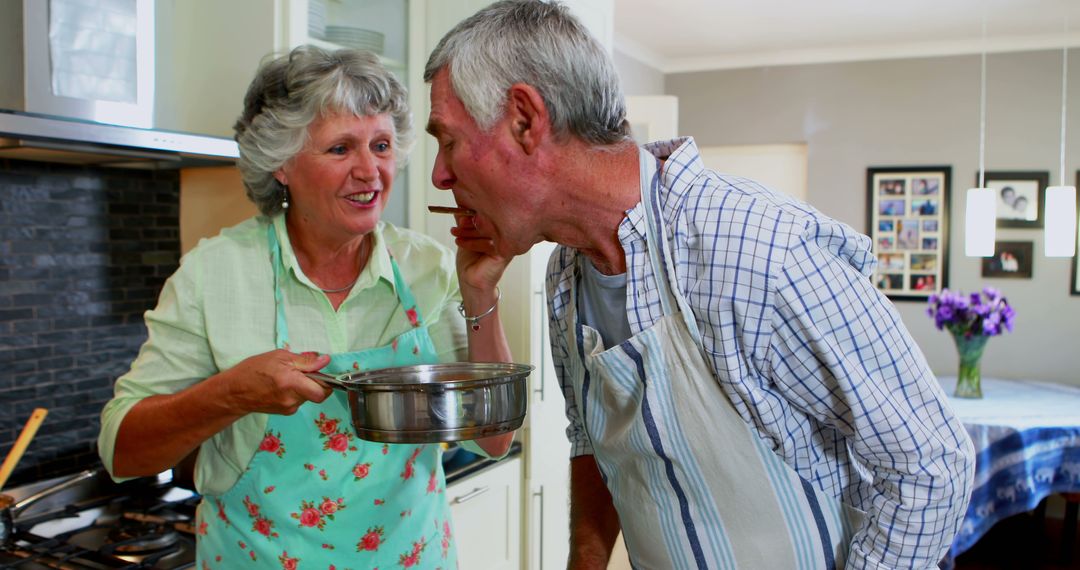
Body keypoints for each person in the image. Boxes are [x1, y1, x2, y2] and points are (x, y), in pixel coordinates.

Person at [423, 1, 974, 568]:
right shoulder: (565, 273)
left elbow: (932, 463)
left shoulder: (760, 248)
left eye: (448, 140)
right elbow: (593, 443)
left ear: (524, 119)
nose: (439, 174)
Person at [97, 45, 514, 568]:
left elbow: (495, 439)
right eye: (341, 149)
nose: (371, 171)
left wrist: (481, 295)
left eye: (381, 145)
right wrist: (230, 394)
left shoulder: (426, 268)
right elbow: (122, 451)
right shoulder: (214, 275)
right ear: (281, 166)